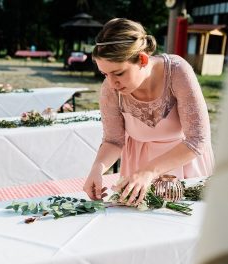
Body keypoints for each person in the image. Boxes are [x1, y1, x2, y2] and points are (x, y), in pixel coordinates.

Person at [83, 18, 214, 205]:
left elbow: (197, 139)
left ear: (143, 59)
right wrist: (98, 168)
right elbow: (113, 140)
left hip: (185, 163)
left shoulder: (177, 71)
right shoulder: (110, 89)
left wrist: (149, 172)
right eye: (105, 74)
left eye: (119, 73)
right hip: (137, 168)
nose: (112, 83)